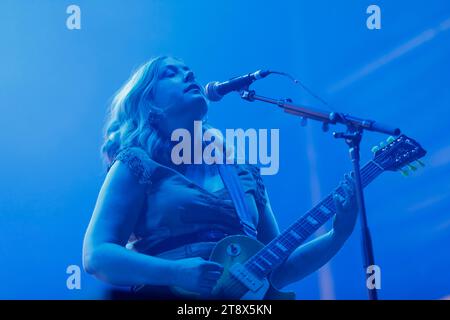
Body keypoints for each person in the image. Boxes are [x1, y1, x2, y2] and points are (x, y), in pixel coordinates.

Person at [82, 56, 358, 299]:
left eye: (188, 70)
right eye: (170, 73)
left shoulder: (242, 172)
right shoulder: (137, 163)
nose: (188, 75)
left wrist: (338, 234)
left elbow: (278, 270)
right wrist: (175, 273)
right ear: (149, 102)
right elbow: (97, 255)